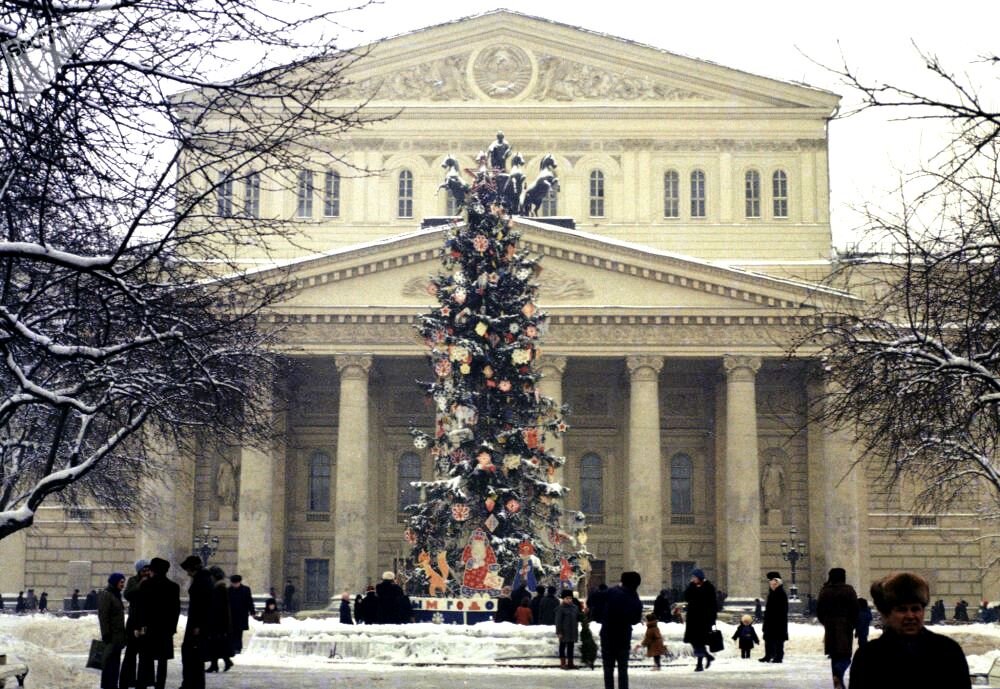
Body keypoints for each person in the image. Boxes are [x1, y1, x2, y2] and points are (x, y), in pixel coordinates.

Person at [849, 572, 970, 689]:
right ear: (887, 613)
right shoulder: (869, 657)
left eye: (915, 609)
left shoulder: (947, 651)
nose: (910, 616)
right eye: (902, 610)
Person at [135, 557, 181, 689]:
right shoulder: (173, 587)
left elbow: (141, 607)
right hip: (165, 629)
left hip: (148, 629)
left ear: (153, 570)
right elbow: (175, 610)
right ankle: (160, 686)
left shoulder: (146, 585)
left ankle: (141, 685)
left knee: (144, 659)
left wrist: (139, 626)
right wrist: (172, 628)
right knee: (162, 661)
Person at [595, 571, 642, 689]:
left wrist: (602, 617)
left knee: (608, 669)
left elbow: (594, 600)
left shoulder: (611, 592)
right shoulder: (634, 597)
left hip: (607, 635)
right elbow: (635, 619)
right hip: (623, 637)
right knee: (623, 670)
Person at [817, 567, 858, 689]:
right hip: (845, 625)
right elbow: (855, 609)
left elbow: (819, 610)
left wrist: (826, 622)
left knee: (834, 655)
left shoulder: (825, 591)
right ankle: (839, 674)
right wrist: (852, 623)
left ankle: (837, 679)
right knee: (845, 655)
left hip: (830, 626)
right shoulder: (849, 590)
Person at [180, 555, 213, 689]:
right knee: (193, 655)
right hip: (196, 622)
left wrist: (198, 625)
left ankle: (191, 683)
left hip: (197, 624)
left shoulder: (202, 581)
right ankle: (192, 683)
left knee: (192, 654)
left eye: (188, 569)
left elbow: (202, 605)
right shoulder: (203, 579)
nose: (187, 573)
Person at [120, 558, 151, 689]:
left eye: (148, 569)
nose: (146, 572)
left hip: (146, 621)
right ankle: (127, 680)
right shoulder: (133, 581)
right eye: (144, 569)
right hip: (134, 621)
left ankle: (144, 681)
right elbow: (128, 595)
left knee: (145, 654)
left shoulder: (152, 581)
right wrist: (140, 585)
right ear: (139, 571)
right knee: (131, 653)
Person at [683, 568, 717, 672]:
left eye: (694, 577)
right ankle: (707, 656)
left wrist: (712, 619)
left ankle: (699, 664)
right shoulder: (692, 587)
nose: (693, 579)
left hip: (704, 620)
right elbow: (686, 597)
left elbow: (713, 604)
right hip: (693, 620)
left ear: (699, 577)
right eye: (692, 577)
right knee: (694, 641)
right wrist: (690, 586)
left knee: (700, 641)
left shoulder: (709, 587)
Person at [97, 573, 127, 689]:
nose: (123, 585)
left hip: (118, 637)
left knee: (115, 664)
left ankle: (112, 685)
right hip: (111, 637)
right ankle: (108, 686)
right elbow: (103, 616)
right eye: (121, 582)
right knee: (109, 664)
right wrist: (106, 634)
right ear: (114, 582)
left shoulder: (116, 595)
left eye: (123, 582)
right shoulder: (107, 595)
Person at [206, 566, 233, 673]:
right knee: (216, 643)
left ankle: (219, 664)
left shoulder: (220, 589)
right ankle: (218, 664)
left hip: (218, 621)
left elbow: (221, 608)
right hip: (217, 620)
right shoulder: (218, 588)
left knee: (216, 643)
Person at [760, 571, 788, 663]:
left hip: (778, 621)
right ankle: (768, 655)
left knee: (778, 639)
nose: (771, 584)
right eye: (770, 582)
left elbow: (782, 609)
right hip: (770, 620)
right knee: (768, 638)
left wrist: (775, 618)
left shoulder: (780, 593)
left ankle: (778, 656)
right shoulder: (772, 593)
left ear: (777, 582)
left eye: (772, 582)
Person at [228, 574, 255, 656]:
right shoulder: (228, 590)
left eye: (236, 583)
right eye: (233, 583)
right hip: (231, 615)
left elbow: (249, 601)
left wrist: (252, 611)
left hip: (241, 614)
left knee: (239, 632)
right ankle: (231, 647)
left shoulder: (246, 590)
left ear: (239, 582)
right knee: (231, 632)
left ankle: (238, 648)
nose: (235, 584)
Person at [553, 589, 579, 669]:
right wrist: (559, 632)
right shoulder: (560, 608)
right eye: (567, 598)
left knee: (571, 647)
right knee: (562, 647)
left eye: (570, 598)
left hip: (572, 631)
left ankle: (570, 663)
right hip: (564, 631)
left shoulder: (575, 608)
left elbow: (578, 618)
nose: (569, 600)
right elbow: (558, 621)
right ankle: (563, 663)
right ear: (563, 599)